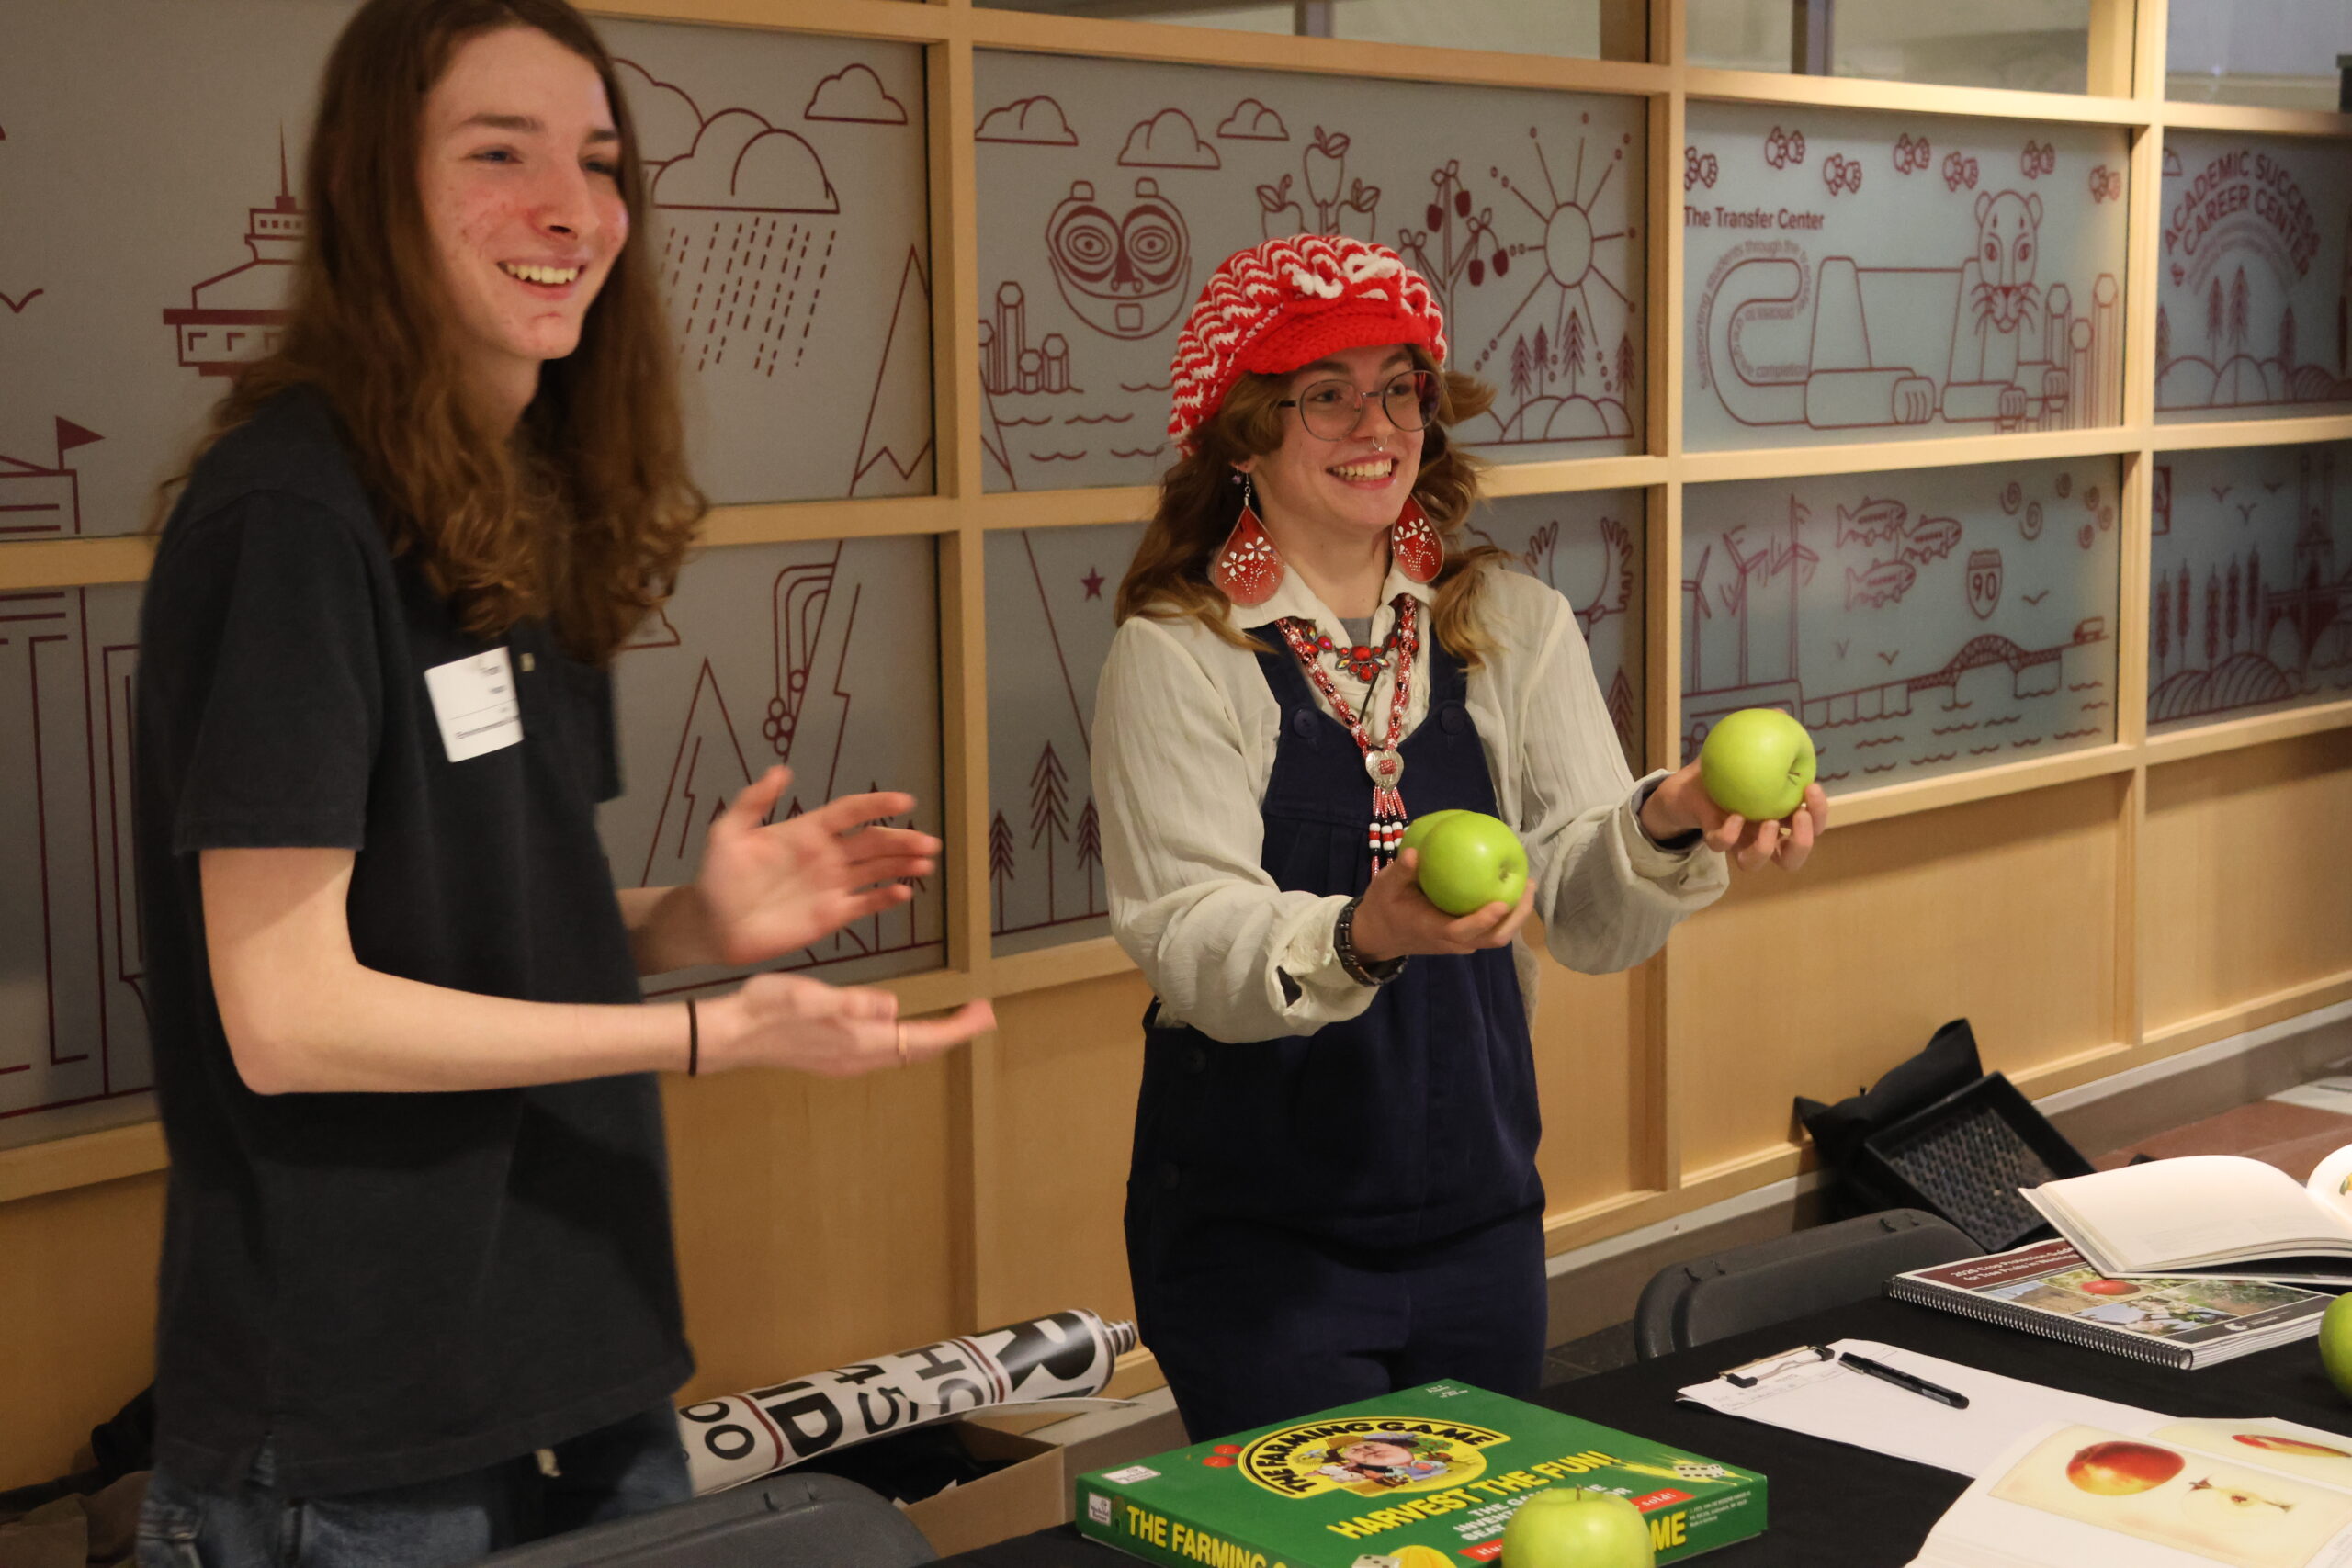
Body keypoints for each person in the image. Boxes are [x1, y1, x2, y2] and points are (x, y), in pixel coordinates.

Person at [130, 2, 993, 1562]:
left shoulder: (518, 495)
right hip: (356, 1426)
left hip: (584, 1357)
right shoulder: (291, 518)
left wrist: (691, 924)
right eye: (497, 153)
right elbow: (289, 1012)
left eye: (598, 162)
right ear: (368, 188)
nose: (569, 210)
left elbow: (476, 927)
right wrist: (697, 1031)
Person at [1095, 234, 1826, 1442]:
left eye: (1397, 390)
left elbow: (1588, 918)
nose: (1371, 423)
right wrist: (1359, 934)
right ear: (1244, 433)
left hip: (1477, 1217)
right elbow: (1190, 937)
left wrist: (1672, 815)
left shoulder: (1511, 624)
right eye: (1324, 395)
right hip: (1260, 1242)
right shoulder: (1181, 651)